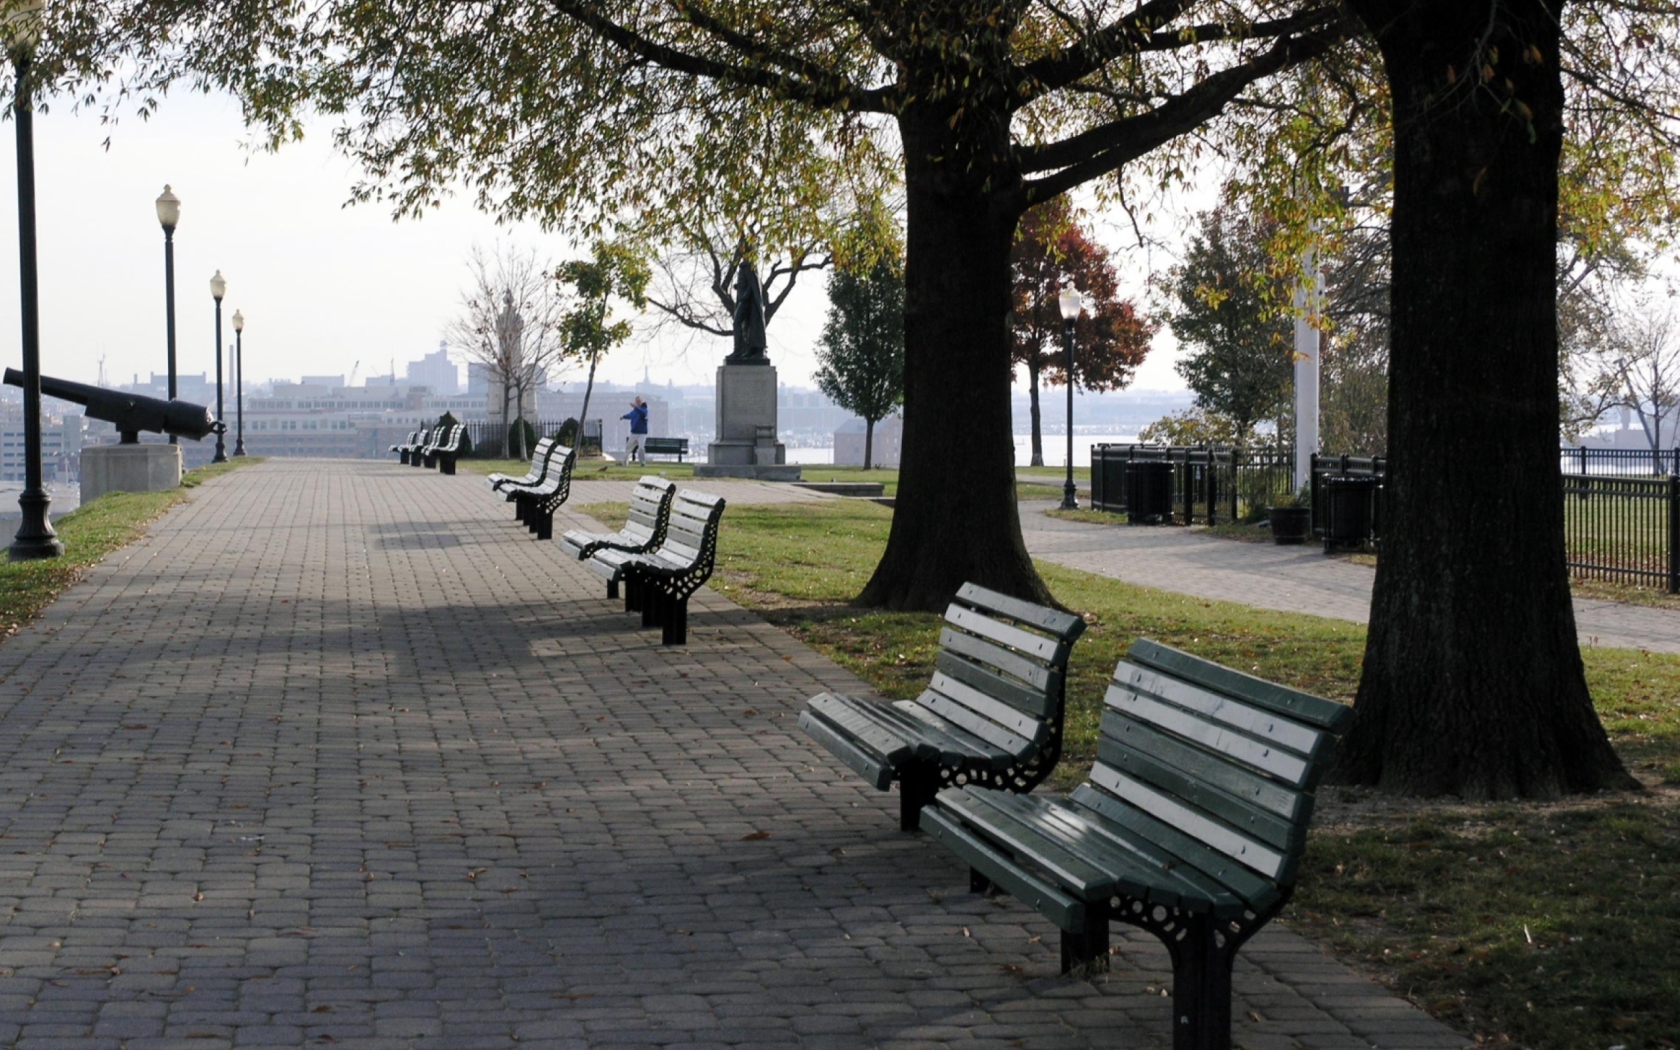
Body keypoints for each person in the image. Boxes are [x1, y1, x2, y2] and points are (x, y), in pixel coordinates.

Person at [622, 396, 648, 464]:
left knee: (641, 448)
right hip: (634, 432)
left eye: (639, 401)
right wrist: (624, 417)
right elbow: (630, 415)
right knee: (628, 447)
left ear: (642, 402)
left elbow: (643, 414)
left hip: (642, 433)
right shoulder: (635, 411)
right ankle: (625, 461)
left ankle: (642, 462)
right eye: (637, 401)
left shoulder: (644, 410)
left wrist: (635, 407)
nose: (638, 403)